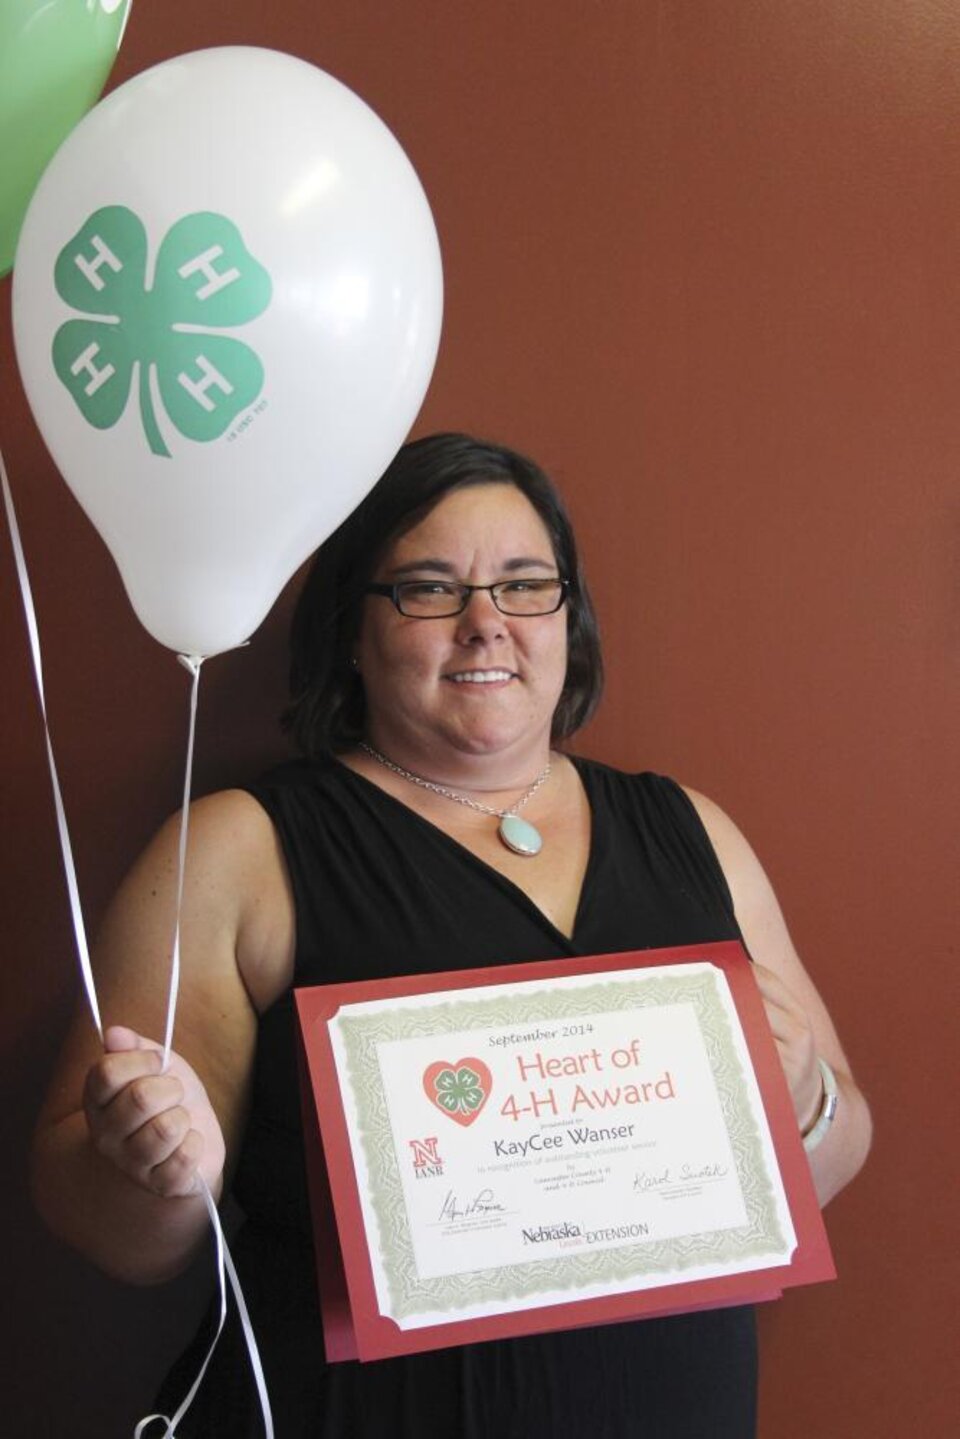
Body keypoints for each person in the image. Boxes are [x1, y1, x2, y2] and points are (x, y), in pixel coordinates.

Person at [31, 433, 871, 1437]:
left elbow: (836, 1148)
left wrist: (808, 1094)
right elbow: (105, 1222)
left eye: (525, 584)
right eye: (430, 589)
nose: (487, 624)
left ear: (570, 616)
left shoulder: (690, 828)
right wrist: (161, 1173)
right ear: (352, 625)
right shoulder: (240, 847)